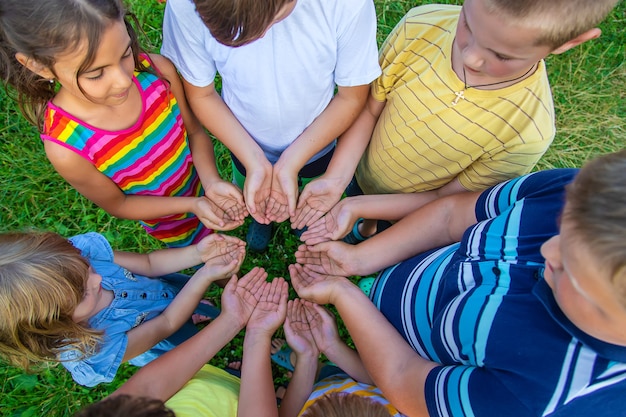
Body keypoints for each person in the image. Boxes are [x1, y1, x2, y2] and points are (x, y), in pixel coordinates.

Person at [292, 149, 626, 416]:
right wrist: (360, 260)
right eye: (561, 230)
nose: (547, 249)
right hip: (408, 283)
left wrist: (345, 295)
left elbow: (402, 375)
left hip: (402, 357)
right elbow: (451, 215)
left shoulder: (537, 397)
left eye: (571, 268)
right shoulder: (575, 196)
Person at [293, 0, 619, 242]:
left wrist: (367, 208)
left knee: (377, 225)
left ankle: (368, 229)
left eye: (502, 55)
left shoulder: (527, 130)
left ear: (569, 42)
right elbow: (370, 110)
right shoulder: (421, 27)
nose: (470, 56)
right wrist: (337, 178)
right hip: (358, 164)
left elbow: (445, 202)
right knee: (354, 191)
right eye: (468, 25)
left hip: (414, 206)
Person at [0, 0, 247, 248]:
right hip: (168, 221)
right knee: (207, 258)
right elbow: (119, 204)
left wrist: (212, 182)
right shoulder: (66, 148)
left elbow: (194, 132)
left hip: (200, 183)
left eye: (126, 53)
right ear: (38, 65)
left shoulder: (158, 72)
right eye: (96, 73)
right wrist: (192, 206)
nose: (123, 81)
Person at [161, 0, 381, 251]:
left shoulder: (346, 5)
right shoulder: (186, 5)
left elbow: (351, 97)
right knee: (254, 190)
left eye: (268, 24)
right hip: (242, 139)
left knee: (312, 185)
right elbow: (201, 95)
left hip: (320, 139)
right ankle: (260, 215)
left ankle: (302, 215)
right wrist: (254, 161)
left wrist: (292, 162)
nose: (258, 39)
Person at [0, 230, 245, 386]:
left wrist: (197, 253)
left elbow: (148, 264)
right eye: (84, 293)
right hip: (166, 336)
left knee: (184, 299)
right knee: (200, 350)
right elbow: (166, 323)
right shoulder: (94, 350)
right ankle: (224, 374)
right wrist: (202, 277)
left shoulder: (75, 255)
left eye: (88, 268)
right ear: (53, 325)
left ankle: (193, 306)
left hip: (162, 291)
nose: (97, 281)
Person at [73, 267, 278, 417]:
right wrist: (257, 335)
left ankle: (236, 376)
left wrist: (232, 320)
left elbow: (147, 389)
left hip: (205, 383)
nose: (98, 276)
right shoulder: (95, 351)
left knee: (231, 379)